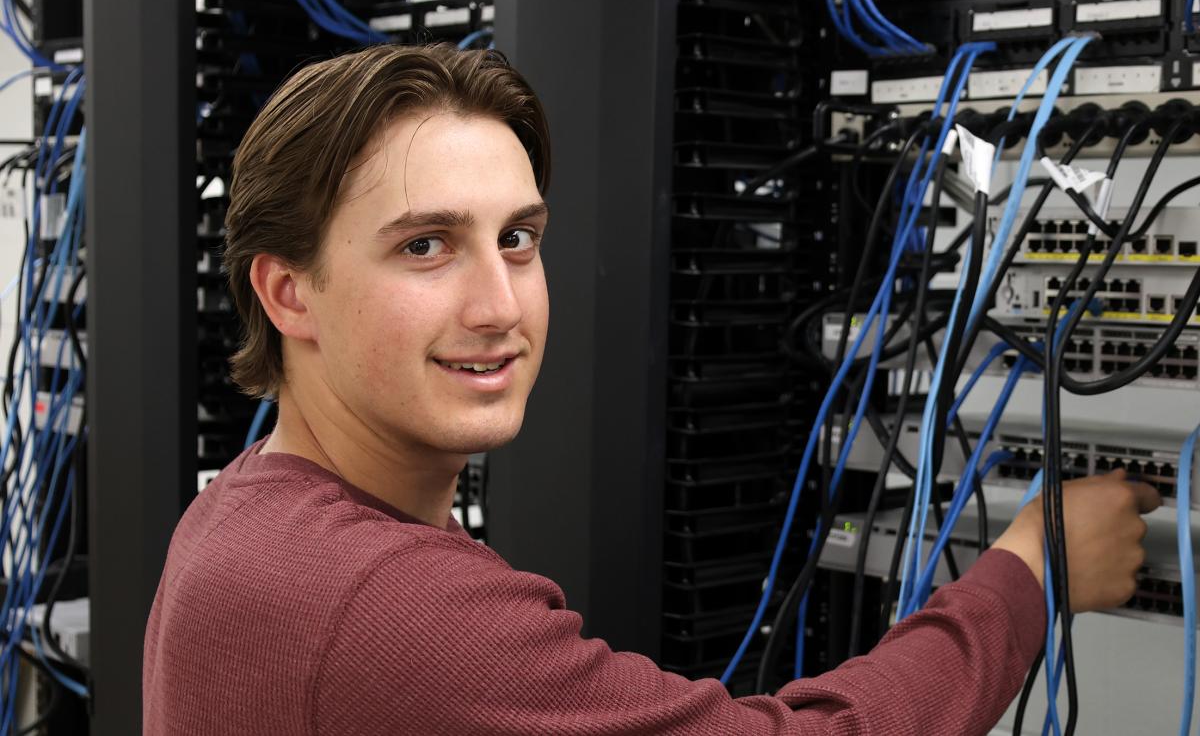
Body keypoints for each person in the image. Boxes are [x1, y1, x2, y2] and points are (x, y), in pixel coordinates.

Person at [143, 44, 1158, 735]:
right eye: (425, 245)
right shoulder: (384, 604)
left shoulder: (241, 512)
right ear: (288, 291)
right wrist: (1032, 570)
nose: (501, 304)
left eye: (519, 240)